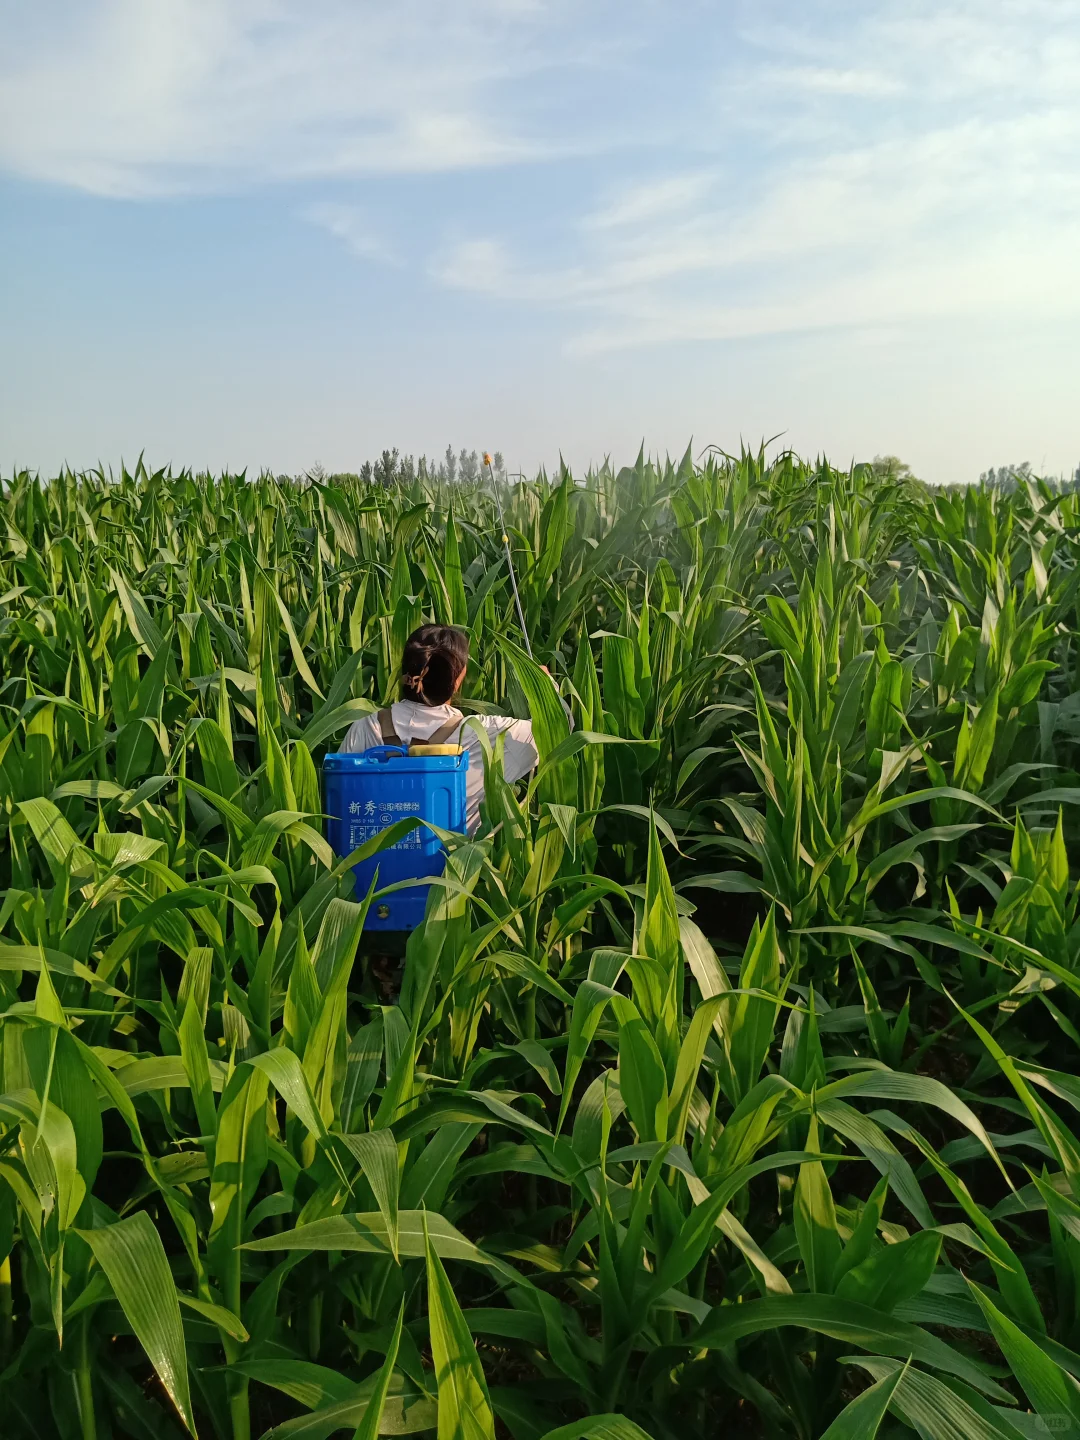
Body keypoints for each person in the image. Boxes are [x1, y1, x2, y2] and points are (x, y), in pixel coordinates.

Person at [338, 624, 570, 835]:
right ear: (458, 678)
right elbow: (559, 729)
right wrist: (546, 688)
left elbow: (339, 802)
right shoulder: (485, 734)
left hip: (371, 877)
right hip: (451, 875)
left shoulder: (365, 727)